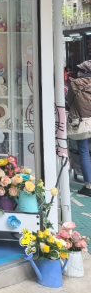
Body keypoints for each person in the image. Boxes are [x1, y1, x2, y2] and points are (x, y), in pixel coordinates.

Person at [66, 60, 91, 195]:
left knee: (84, 152)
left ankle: (88, 185)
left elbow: (69, 100)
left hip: (81, 121)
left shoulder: (76, 83)